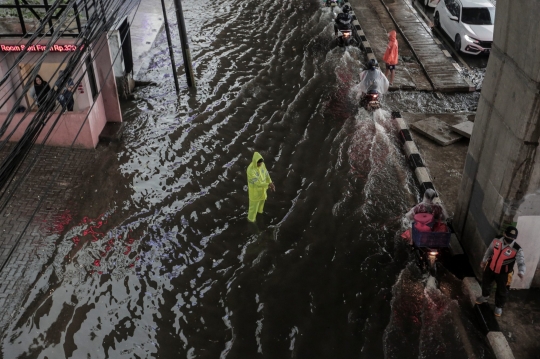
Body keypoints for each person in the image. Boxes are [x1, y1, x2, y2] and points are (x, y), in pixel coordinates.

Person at [476, 226, 526, 317]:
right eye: (509, 236)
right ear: (504, 234)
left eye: (513, 238)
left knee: (502, 290)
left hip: (504, 273)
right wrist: (484, 260)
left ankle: (499, 306)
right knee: (486, 282)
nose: (510, 239)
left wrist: (521, 272)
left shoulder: (517, 249)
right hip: (490, 268)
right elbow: (489, 251)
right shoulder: (497, 240)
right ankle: (485, 296)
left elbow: (521, 262)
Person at [246, 152, 275, 222]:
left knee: (260, 209)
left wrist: (270, 182)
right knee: (253, 211)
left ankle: (260, 216)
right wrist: (268, 185)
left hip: (262, 191)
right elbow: (257, 183)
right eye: (258, 163)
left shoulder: (262, 165)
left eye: (261, 163)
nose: (260, 164)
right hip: (255, 194)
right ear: (255, 162)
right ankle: (251, 222)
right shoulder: (250, 170)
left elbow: (266, 174)